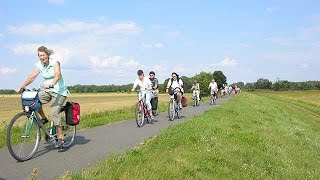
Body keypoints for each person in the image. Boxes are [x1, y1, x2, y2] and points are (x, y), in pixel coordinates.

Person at [16, 46, 69, 148]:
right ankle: (44, 119)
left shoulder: (55, 63)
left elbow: (57, 75)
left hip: (59, 92)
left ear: (48, 55)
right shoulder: (40, 65)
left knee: (54, 112)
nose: (42, 57)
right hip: (47, 91)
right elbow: (32, 76)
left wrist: (51, 84)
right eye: (40, 55)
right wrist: (22, 86)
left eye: (43, 55)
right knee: (34, 101)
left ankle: (61, 136)